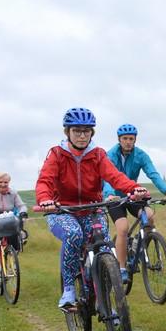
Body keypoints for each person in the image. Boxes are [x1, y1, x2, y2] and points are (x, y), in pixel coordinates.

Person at [35, 108, 147, 308]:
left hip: (93, 209)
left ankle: (102, 293)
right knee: (74, 235)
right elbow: (45, 180)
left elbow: (114, 176)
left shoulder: (98, 154)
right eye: (77, 131)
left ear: (91, 133)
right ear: (67, 132)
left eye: (86, 131)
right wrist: (45, 199)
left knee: (104, 247)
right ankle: (69, 289)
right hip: (62, 211)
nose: (82, 135)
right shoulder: (57, 154)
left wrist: (133, 188)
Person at [102, 123, 166, 283]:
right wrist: (109, 194)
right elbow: (107, 177)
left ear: (135, 140)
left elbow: (153, 173)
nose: (128, 142)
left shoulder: (141, 155)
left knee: (149, 217)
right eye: (125, 138)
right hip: (114, 198)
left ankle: (137, 244)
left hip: (134, 195)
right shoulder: (110, 155)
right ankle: (122, 268)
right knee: (123, 229)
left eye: (131, 139)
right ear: (119, 139)